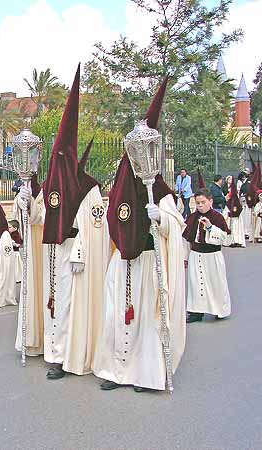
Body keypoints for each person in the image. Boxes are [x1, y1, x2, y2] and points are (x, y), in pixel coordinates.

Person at [94, 76, 186, 392]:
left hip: (148, 261)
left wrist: (161, 219)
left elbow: (176, 226)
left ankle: (144, 374)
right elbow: (111, 217)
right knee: (116, 317)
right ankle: (116, 371)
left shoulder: (158, 188)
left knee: (147, 319)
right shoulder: (121, 185)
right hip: (122, 262)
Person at [34, 65, 111, 380]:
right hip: (51, 251)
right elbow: (40, 217)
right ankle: (53, 350)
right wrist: (27, 205)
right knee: (53, 301)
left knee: (67, 304)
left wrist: (80, 251)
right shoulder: (49, 183)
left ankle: (65, 355)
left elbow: (94, 226)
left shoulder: (87, 185)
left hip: (71, 254)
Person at [184, 188, 231, 323]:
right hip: (196, 255)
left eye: (203, 202)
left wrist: (210, 227)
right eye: (197, 203)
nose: (200, 206)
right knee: (196, 284)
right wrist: (185, 257)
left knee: (216, 283)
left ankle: (219, 310)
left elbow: (226, 238)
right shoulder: (192, 218)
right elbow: (187, 238)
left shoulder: (218, 217)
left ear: (210, 201)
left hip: (212, 256)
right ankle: (196, 312)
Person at [13, 174, 45, 357]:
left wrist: (31, 202)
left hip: (45, 247)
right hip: (31, 247)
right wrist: (21, 199)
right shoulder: (23, 191)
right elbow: (20, 218)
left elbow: (40, 217)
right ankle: (32, 338)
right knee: (32, 290)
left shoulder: (46, 191)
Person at [222, 173, 246, 248]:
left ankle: (237, 240)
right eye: (229, 179)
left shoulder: (234, 190)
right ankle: (230, 241)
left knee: (236, 226)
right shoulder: (224, 188)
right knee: (229, 225)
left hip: (235, 208)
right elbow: (224, 197)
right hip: (228, 207)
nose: (230, 180)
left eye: (231, 179)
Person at [8, 219, 23, 283]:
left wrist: (12, 242)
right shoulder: (11, 234)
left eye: (9, 227)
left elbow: (19, 243)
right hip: (12, 252)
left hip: (15, 253)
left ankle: (17, 278)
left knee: (16, 266)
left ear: (15, 228)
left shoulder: (16, 235)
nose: (8, 228)